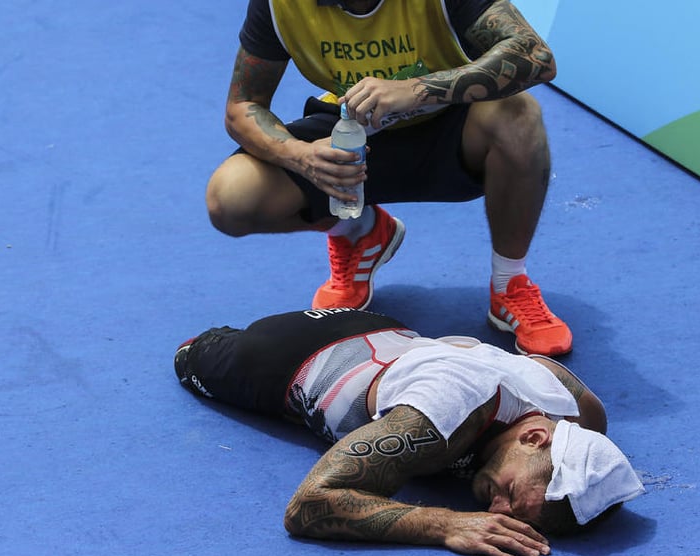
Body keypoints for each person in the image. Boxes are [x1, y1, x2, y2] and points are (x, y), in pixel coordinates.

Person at [205, 0, 574, 357]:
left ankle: (510, 283)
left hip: (453, 127)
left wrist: (416, 89)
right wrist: (301, 157)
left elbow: (535, 57)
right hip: (352, 133)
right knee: (231, 198)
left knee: (518, 113)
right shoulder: (278, 3)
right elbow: (243, 106)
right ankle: (358, 233)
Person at [173, 308, 644, 556]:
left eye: (515, 514)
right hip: (291, 353)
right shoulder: (441, 418)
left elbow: (538, 370)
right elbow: (307, 506)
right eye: (510, 495)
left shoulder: (582, 415)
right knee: (188, 355)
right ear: (536, 437)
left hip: (390, 331)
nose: (495, 510)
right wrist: (447, 525)